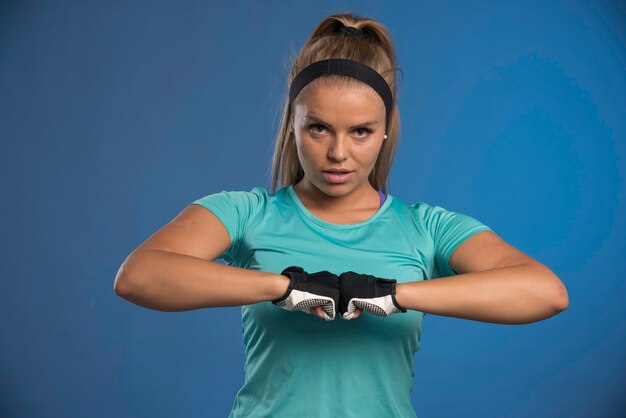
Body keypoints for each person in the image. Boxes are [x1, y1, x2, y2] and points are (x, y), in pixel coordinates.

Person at [114, 12, 569, 418]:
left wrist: (396, 295)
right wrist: (283, 287)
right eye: (318, 128)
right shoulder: (246, 213)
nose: (338, 153)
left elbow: (545, 292)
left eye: (361, 132)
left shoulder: (426, 227)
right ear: (292, 126)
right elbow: (139, 276)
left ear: (385, 131)